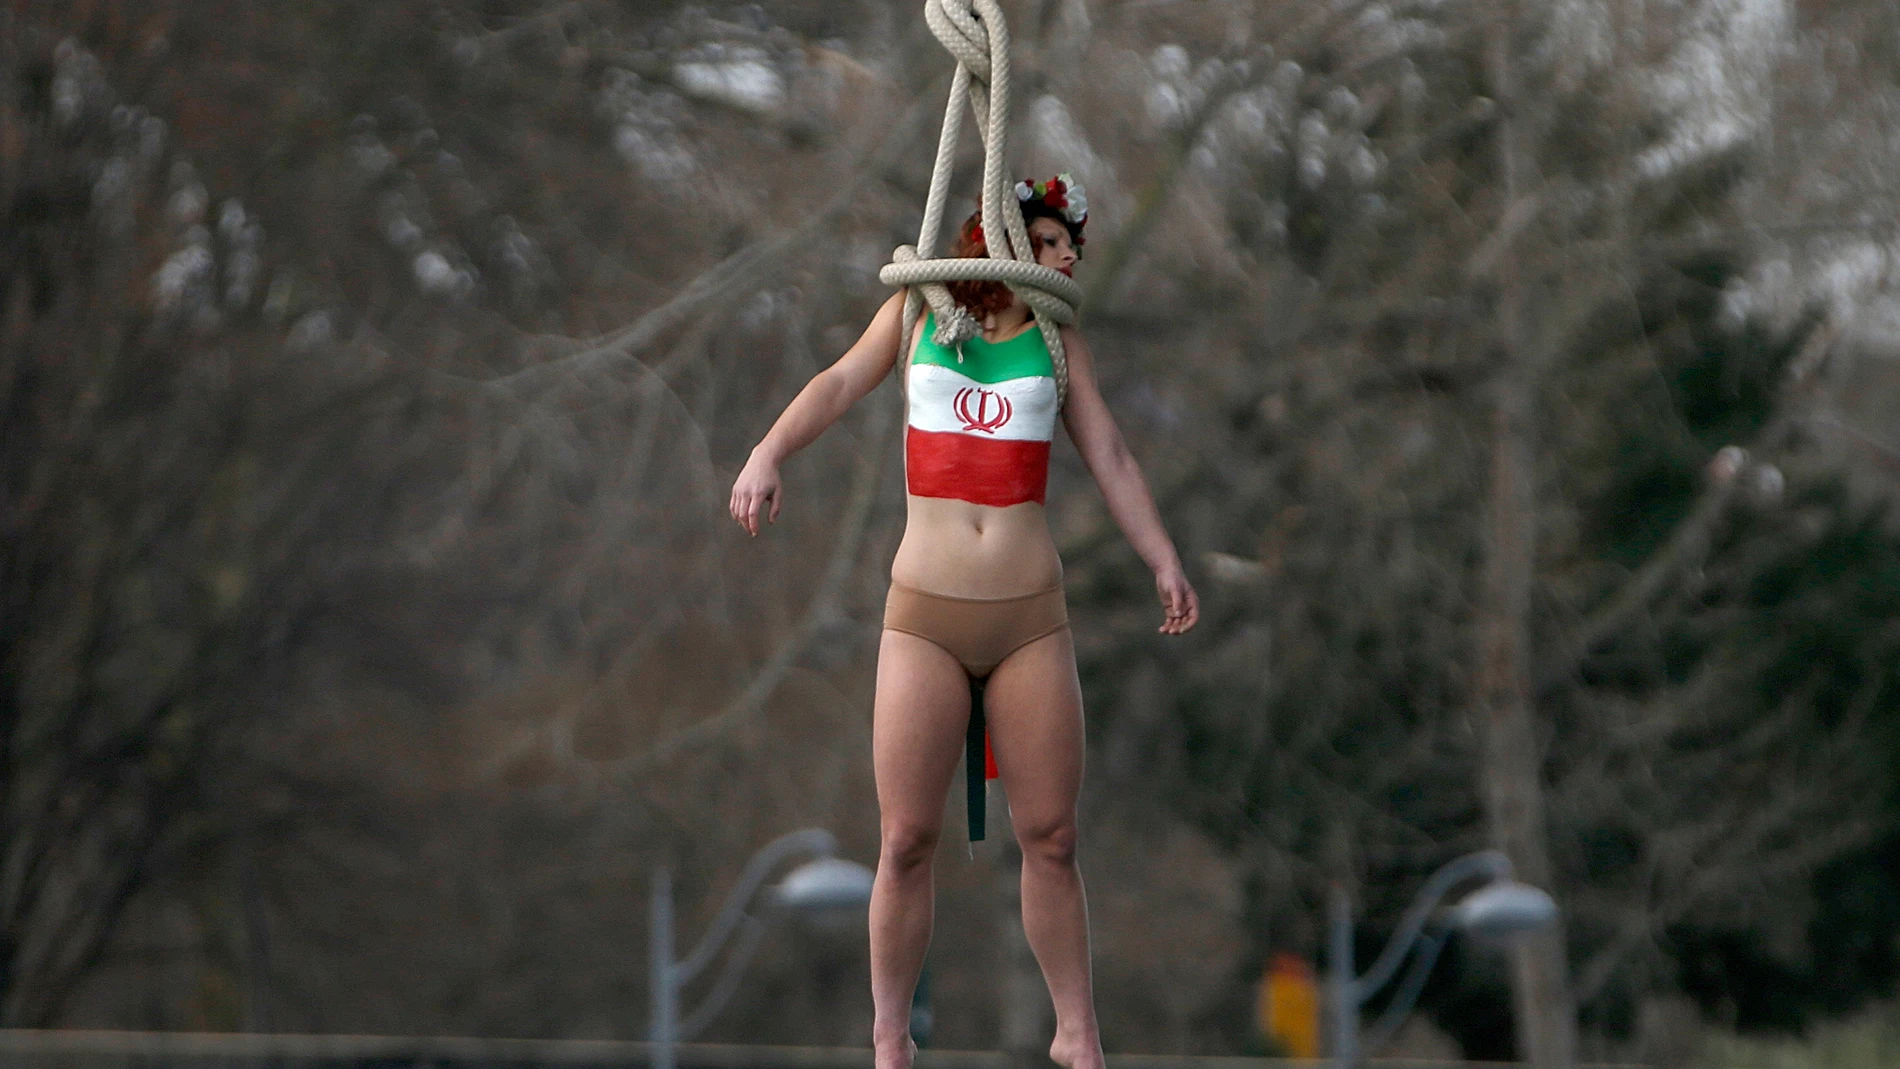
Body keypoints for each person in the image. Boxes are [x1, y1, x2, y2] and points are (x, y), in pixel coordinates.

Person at [729, 174, 1199, 1069]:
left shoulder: (1059, 343)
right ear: (1009, 240)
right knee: (906, 838)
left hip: (1028, 614)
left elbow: (1111, 453)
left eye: (1074, 252)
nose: (1068, 261)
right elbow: (836, 383)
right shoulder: (917, 313)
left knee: (1052, 837)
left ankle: (1078, 1034)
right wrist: (768, 451)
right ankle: (889, 1037)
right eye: (1055, 244)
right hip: (926, 614)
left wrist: (1163, 557)